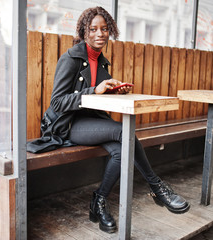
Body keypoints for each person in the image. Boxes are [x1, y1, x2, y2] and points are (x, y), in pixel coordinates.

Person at [27, 6, 190, 234]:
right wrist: (95, 90)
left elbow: (96, 96)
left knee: (121, 150)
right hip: (67, 125)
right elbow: (57, 102)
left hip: (90, 122)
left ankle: (98, 202)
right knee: (125, 133)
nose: (99, 34)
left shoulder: (103, 62)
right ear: (84, 31)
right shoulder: (71, 58)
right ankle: (157, 188)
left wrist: (112, 91)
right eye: (93, 29)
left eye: (104, 29)